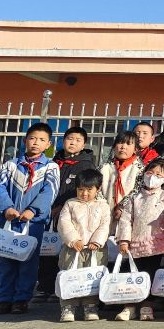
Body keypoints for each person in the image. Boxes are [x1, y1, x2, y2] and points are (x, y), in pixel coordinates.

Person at [0, 122, 60, 315]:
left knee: (28, 262)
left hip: (33, 224)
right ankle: (3, 299)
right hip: (10, 221)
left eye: (42, 140)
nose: (36, 142)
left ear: (48, 144)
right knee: (6, 260)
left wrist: (33, 210)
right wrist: (7, 208)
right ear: (25, 140)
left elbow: (50, 191)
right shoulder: (11, 165)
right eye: (32, 138)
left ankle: (21, 299)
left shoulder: (51, 167)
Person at [114, 158, 164, 321]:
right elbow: (125, 219)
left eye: (158, 174)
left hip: (156, 244)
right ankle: (130, 306)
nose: (152, 176)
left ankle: (146, 306)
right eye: (150, 172)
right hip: (135, 245)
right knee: (133, 276)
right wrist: (124, 240)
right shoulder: (134, 197)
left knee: (151, 276)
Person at [36, 126, 96, 302]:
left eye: (78, 140)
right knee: (46, 250)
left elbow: (83, 190)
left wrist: (62, 206)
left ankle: (60, 288)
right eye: (70, 139)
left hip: (71, 214)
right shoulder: (53, 162)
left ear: (83, 145)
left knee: (64, 253)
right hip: (48, 213)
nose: (73, 143)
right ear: (63, 141)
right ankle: (44, 287)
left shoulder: (86, 165)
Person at [56, 168, 110, 322]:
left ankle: (90, 306)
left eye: (89, 190)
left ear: (97, 189)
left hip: (95, 250)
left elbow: (105, 225)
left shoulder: (103, 205)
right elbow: (64, 223)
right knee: (70, 276)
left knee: (92, 278)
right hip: (72, 249)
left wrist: (96, 241)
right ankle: (68, 307)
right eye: (80, 190)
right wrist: (74, 240)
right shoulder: (70, 204)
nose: (84, 194)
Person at [100, 131, 144, 217]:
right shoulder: (104, 167)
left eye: (128, 144)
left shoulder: (140, 169)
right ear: (114, 146)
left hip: (128, 214)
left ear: (135, 149)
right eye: (120, 143)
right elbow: (96, 189)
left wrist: (122, 206)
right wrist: (103, 207)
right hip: (103, 213)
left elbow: (138, 190)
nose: (123, 147)